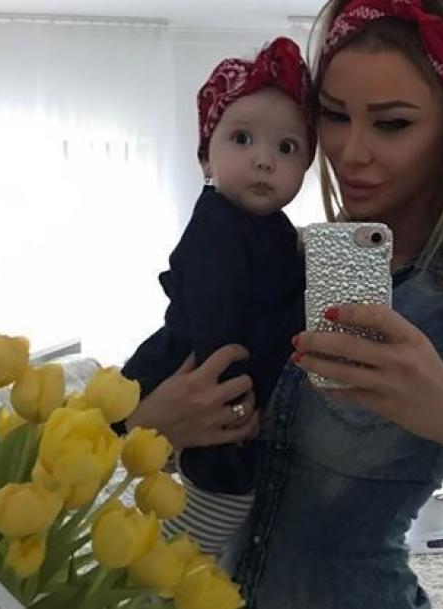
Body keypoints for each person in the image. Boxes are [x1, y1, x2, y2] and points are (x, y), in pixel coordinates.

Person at [125, 1, 443, 607]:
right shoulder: (297, 257)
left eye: (392, 123)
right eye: (334, 115)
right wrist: (153, 422)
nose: (350, 152)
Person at [119, 37, 316, 553]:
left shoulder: (276, 230)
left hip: (239, 374)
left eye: (287, 148)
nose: (264, 161)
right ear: (206, 158)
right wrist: (230, 398)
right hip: (203, 368)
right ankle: (166, 563)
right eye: (242, 139)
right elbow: (217, 318)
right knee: (222, 490)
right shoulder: (217, 225)